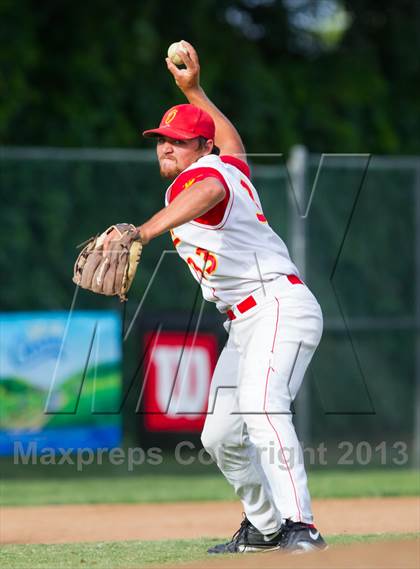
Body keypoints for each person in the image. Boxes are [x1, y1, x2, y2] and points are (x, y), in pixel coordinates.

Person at [138, 40, 326, 554]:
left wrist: (144, 233)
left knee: (264, 410)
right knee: (219, 436)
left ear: (201, 149)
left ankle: (301, 528)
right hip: (244, 324)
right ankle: (264, 529)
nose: (166, 148)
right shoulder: (228, 166)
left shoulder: (206, 177)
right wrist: (194, 90)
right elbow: (235, 147)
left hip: (278, 308)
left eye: (178, 141)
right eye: (162, 139)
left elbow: (209, 193)